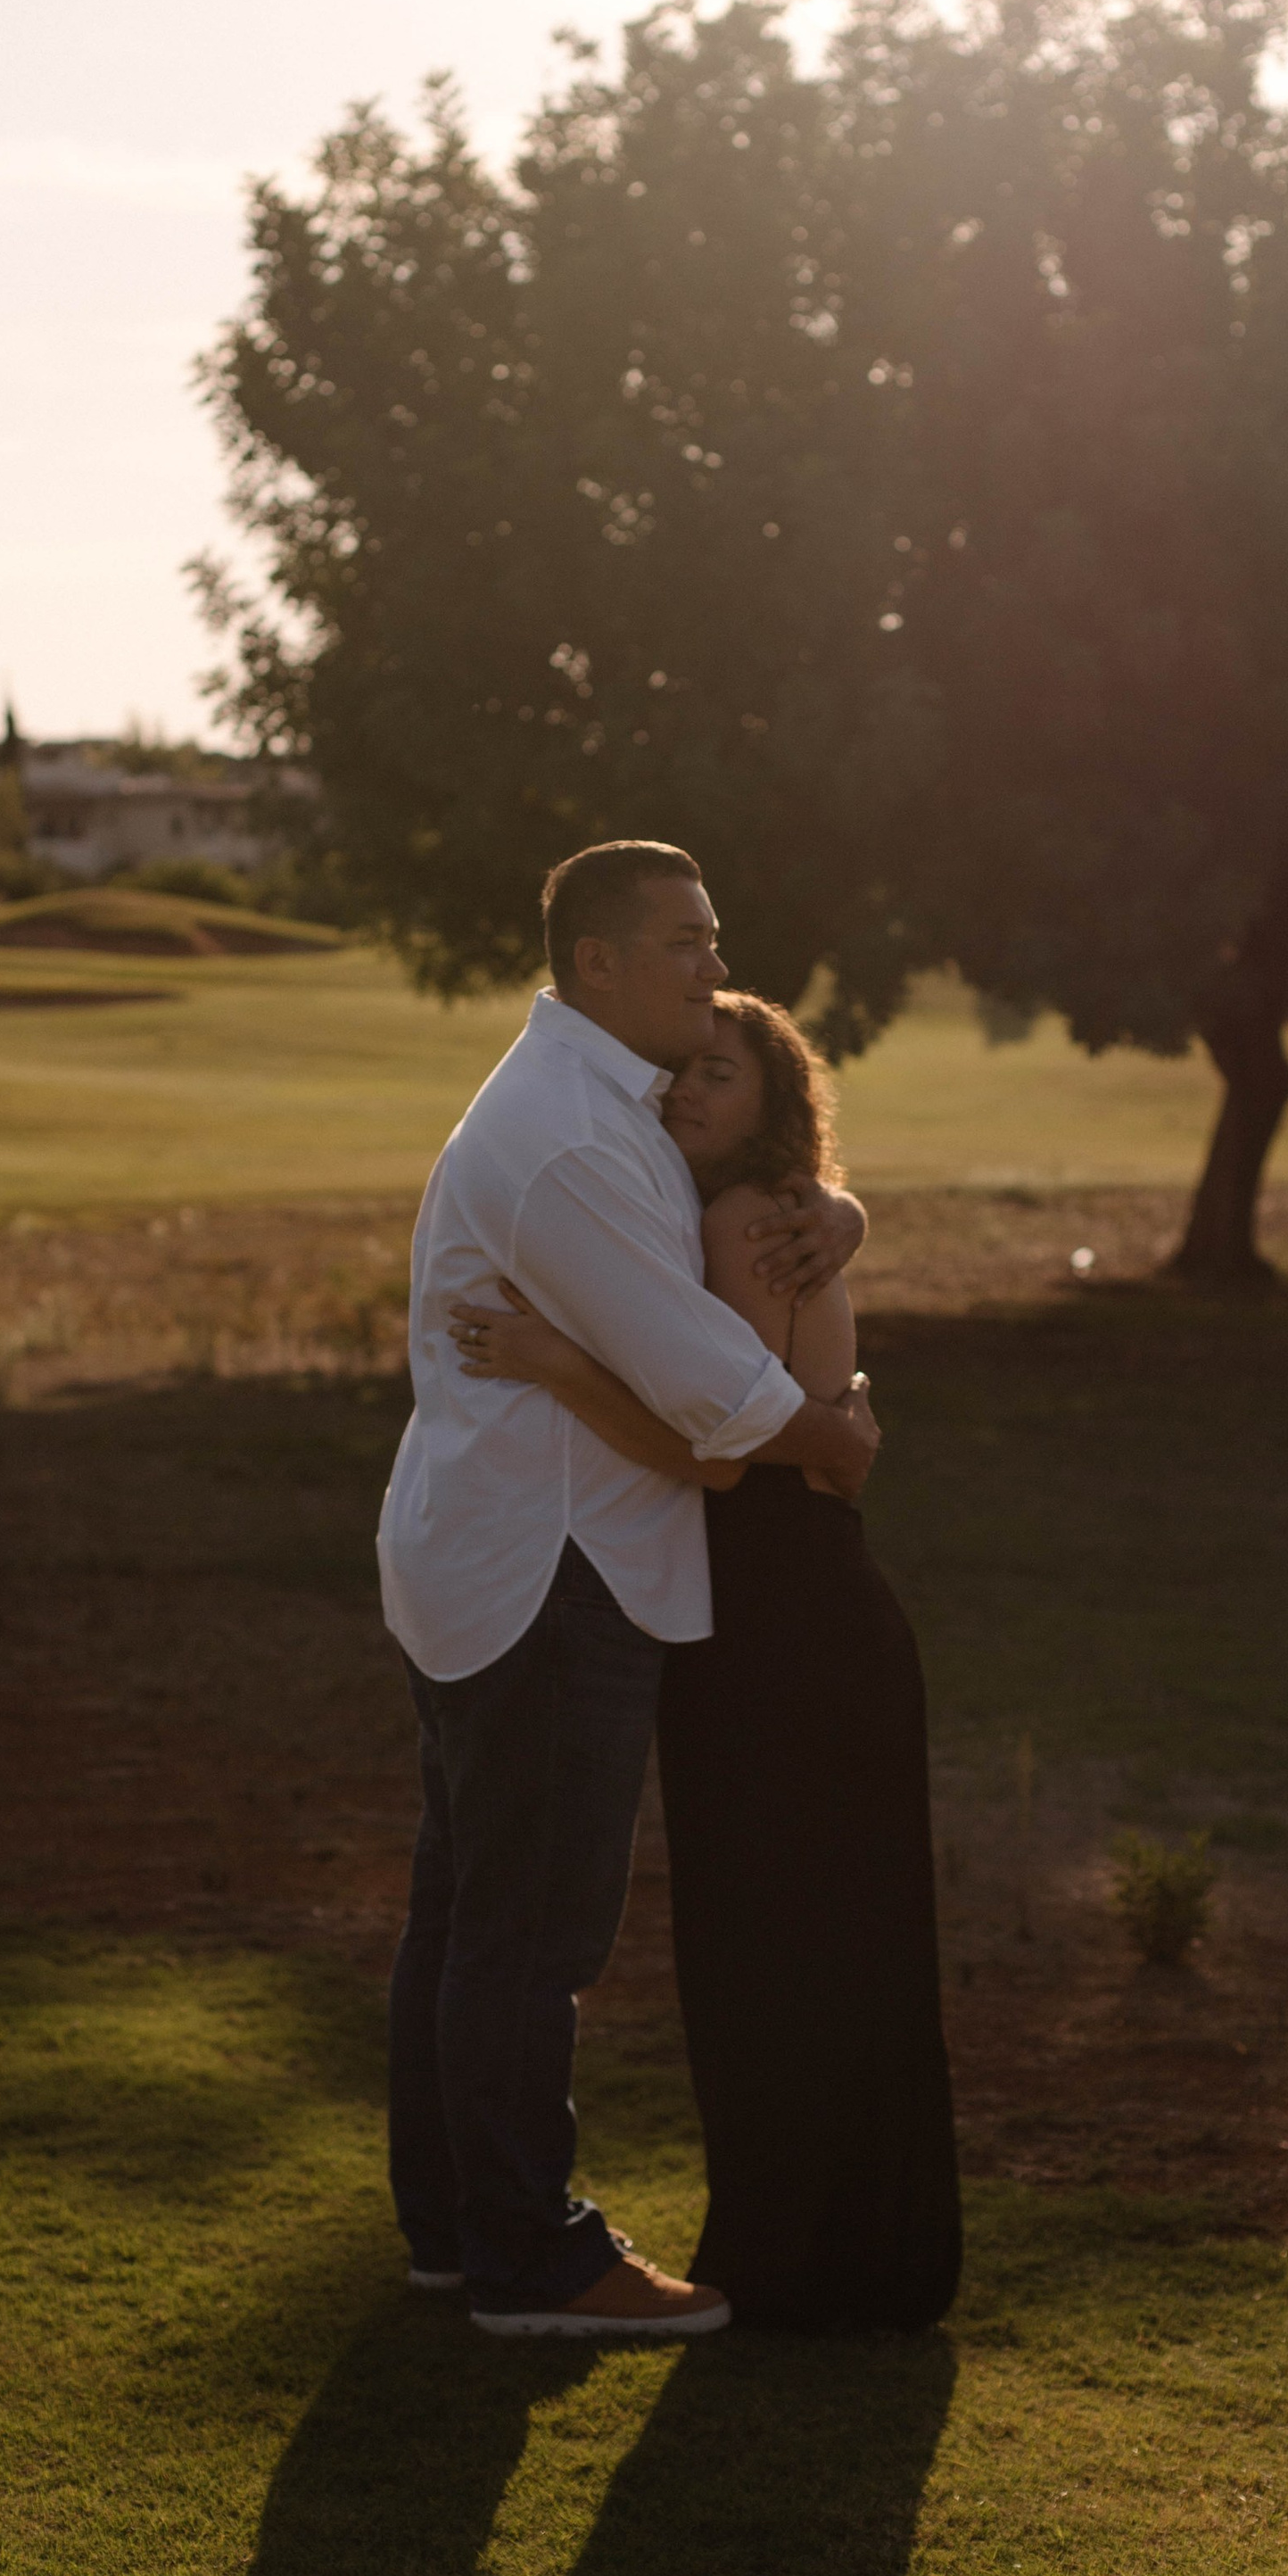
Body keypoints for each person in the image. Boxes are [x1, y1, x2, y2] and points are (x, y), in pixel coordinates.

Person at [379, 841, 879, 2340]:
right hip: (553, 1570)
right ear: (595, 962)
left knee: (470, 1917)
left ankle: (459, 2234)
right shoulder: (573, 1143)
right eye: (680, 940)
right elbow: (719, 1398)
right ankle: (533, 2262)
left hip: (508, 1552)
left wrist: (839, 1222)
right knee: (527, 1940)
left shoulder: (611, 1107)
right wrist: (838, 1431)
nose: (706, 965)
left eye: (713, 935)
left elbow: (757, 1211)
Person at [452, 989, 961, 2334]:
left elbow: (726, 1447)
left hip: (776, 1626)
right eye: (679, 1071)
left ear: (774, 1100)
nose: (684, 1091)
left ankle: (798, 2261)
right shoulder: (782, 1210)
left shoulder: (741, 1225)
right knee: (827, 1942)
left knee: (776, 1945)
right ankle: (856, 2252)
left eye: (717, 1075)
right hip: (801, 1614)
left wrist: (556, 1356)